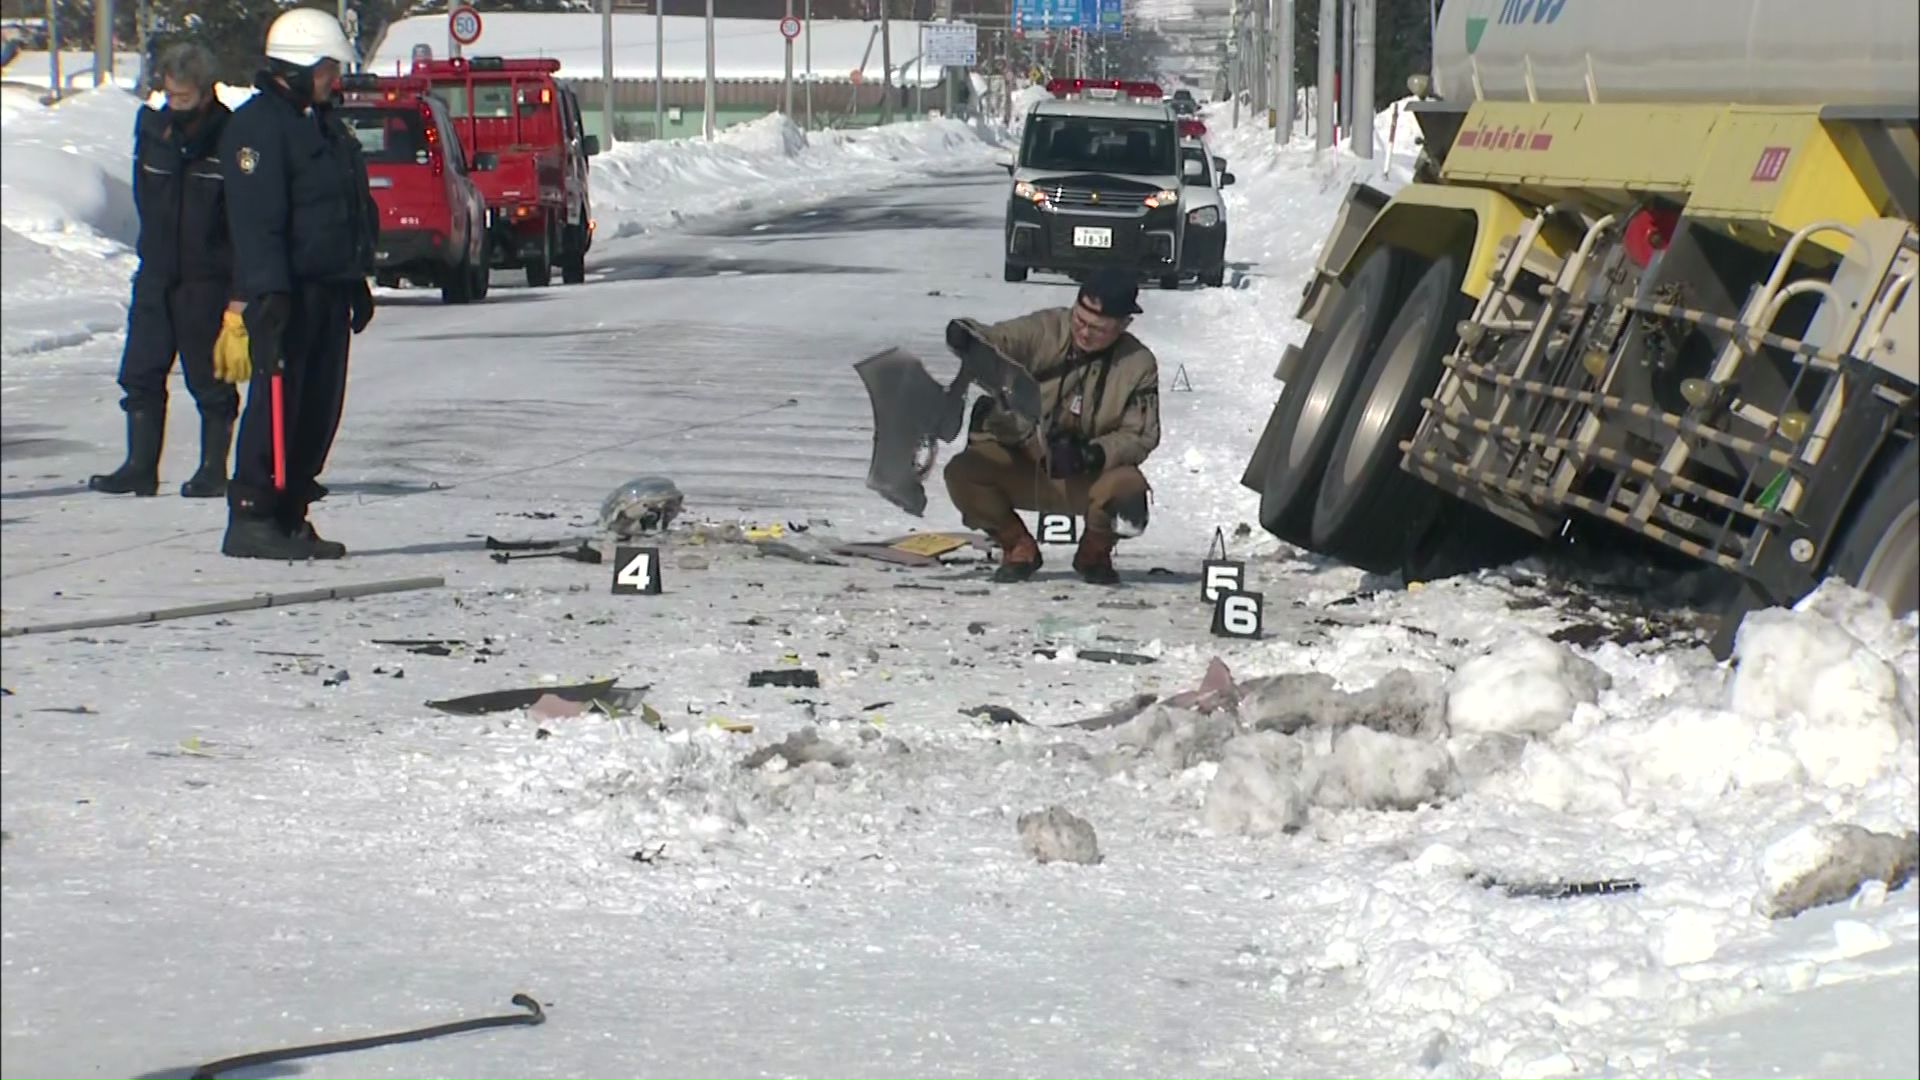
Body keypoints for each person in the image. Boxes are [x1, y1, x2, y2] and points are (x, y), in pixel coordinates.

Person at [212, 7, 376, 560]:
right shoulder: (258, 127)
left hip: (327, 287)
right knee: (278, 403)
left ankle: (290, 511)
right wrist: (270, 293)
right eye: (329, 66)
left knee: (319, 407)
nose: (337, 77)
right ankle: (253, 513)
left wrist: (355, 278)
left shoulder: (321, 123)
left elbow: (343, 207)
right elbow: (258, 221)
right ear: (300, 66)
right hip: (287, 292)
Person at [88, 42, 240, 499]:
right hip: (156, 272)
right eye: (169, 94)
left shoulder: (230, 136)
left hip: (206, 280)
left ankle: (212, 469)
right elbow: (143, 193)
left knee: (209, 380)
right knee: (140, 372)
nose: (175, 103)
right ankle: (139, 467)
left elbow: (240, 216)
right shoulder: (153, 130)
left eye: (184, 96)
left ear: (206, 90)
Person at [943, 269, 1161, 585]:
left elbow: (1141, 434)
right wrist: (969, 336)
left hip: (1086, 475)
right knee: (963, 472)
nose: (1085, 333)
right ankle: (1017, 545)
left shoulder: (1138, 364)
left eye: (1098, 329)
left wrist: (1093, 454)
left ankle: (1094, 552)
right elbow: (1002, 340)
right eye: (1080, 320)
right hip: (1023, 461)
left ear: (1123, 325)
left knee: (1129, 491)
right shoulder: (1046, 329)